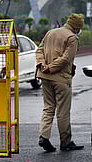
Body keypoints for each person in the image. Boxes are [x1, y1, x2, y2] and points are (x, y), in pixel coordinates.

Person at [35, 13, 85, 152]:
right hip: (61, 78)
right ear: (77, 27)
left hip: (44, 77)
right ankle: (66, 142)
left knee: (48, 107)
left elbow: (39, 50)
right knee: (63, 111)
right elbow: (66, 59)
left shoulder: (50, 33)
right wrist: (51, 68)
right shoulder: (72, 38)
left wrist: (42, 64)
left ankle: (44, 136)